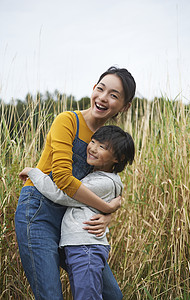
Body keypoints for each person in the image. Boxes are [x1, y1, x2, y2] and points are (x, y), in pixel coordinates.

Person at [15, 66, 136, 300]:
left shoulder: (109, 141)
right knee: (50, 295)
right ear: (93, 89)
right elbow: (61, 178)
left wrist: (109, 211)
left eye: (113, 95)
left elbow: (108, 185)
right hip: (38, 213)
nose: (103, 98)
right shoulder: (67, 120)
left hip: (72, 222)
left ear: (125, 106)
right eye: (100, 89)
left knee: (111, 294)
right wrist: (106, 207)